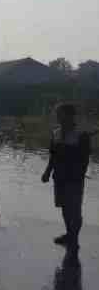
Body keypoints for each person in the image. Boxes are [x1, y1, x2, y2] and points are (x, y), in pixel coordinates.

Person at [41, 103, 91, 250]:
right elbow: (53, 156)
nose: (58, 117)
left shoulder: (81, 135)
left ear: (70, 115)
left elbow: (85, 160)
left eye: (60, 114)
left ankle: (73, 238)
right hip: (59, 177)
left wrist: (79, 176)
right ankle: (70, 234)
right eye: (57, 114)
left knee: (74, 209)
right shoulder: (56, 133)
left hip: (74, 178)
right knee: (64, 207)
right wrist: (47, 172)